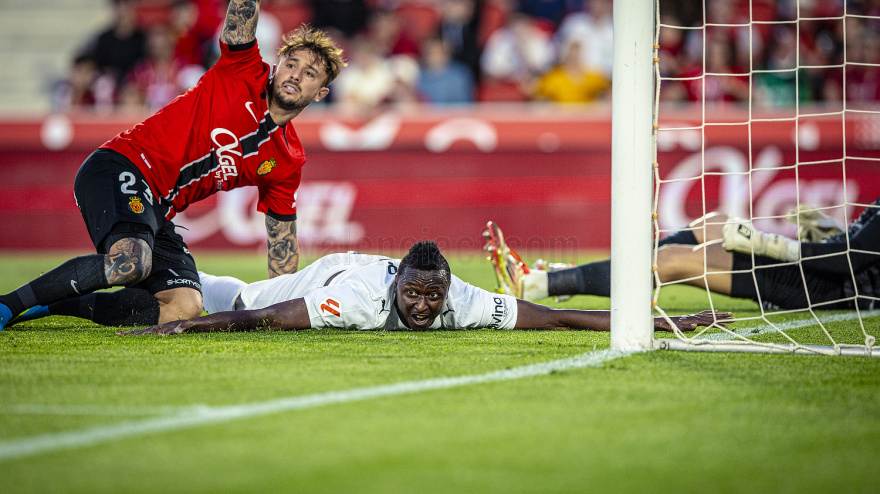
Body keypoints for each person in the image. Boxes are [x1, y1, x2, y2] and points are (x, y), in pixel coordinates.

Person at [0, 0, 347, 331]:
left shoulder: (287, 160)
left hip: (157, 208)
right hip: (120, 165)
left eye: (310, 73)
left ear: (320, 94)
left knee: (183, 307)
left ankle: (48, 305)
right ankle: (7, 305)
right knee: (132, 262)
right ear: (277, 63)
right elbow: (241, 15)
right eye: (291, 64)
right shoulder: (241, 69)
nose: (296, 74)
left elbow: (281, 244)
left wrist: (284, 305)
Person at [116, 241, 729, 335]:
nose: (424, 306)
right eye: (416, 294)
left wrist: (650, 322)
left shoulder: (455, 297)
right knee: (155, 300)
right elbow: (271, 316)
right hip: (246, 296)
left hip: (320, 275)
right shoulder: (364, 296)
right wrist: (195, 324)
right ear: (399, 281)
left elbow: (551, 317)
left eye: (432, 298)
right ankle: (55, 297)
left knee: (129, 305)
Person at [485, 199, 880, 311]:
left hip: (841, 288)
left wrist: (769, 244)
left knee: (672, 259)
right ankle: (580, 275)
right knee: (713, 222)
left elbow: (849, 260)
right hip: (834, 272)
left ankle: (538, 284)